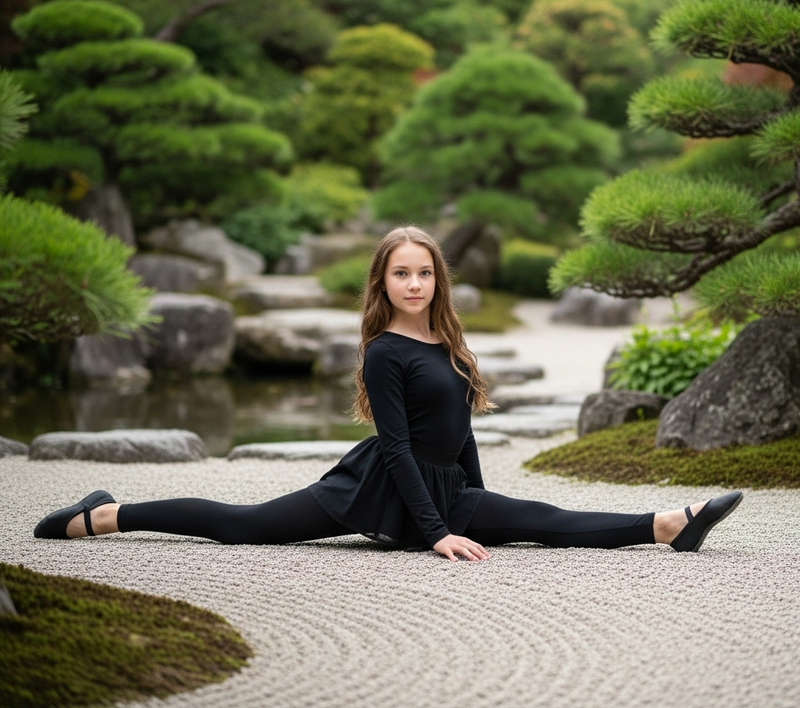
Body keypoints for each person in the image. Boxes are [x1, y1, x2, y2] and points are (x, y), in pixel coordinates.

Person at [34, 225, 743, 560]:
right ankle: (107, 513)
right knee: (242, 525)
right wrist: (437, 533)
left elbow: (459, 431)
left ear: (439, 280)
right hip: (372, 486)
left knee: (542, 517)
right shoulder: (384, 352)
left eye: (424, 273)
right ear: (384, 282)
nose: (414, 283)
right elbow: (396, 445)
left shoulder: (450, 345)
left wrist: (470, 501)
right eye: (401, 273)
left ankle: (668, 525)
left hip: (446, 485)